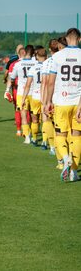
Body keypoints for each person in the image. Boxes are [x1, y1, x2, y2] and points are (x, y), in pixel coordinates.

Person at [45, 28, 81, 182]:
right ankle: (74, 171)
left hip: (61, 102)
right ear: (79, 39)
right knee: (77, 136)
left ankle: (65, 158)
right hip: (77, 103)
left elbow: (51, 82)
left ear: (66, 38)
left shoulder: (57, 57)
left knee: (60, 135)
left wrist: (47, 102)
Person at [21, 47, 47, 146]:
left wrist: (23, 99)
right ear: (46, 56)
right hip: (46, 97)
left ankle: (35, 139)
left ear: (36, 56)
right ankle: (45, 142)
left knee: (35, 119)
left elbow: (28, 85)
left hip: (35, 96)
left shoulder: (33, 68)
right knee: (45, 119)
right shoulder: (49, 66)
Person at [10, 45, 36, 142]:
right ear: (33, 53)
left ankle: (27, 137)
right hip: (34, 93)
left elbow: (12, 78)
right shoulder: (36, 63)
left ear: (24, 52)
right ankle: (34, 136)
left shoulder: (18, 64)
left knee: (23, 114)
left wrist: (11, 85)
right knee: (34, 116)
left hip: (21, 92)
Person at [4, 45, 25, 136]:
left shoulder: (14, 64)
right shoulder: (34, 62)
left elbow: (10, 78)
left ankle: (19, 130)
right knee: (28, 110)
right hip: (31, 90)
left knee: (18, 108)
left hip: (18, 89)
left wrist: (7, 90)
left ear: (18, 53)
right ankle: (27, 131)